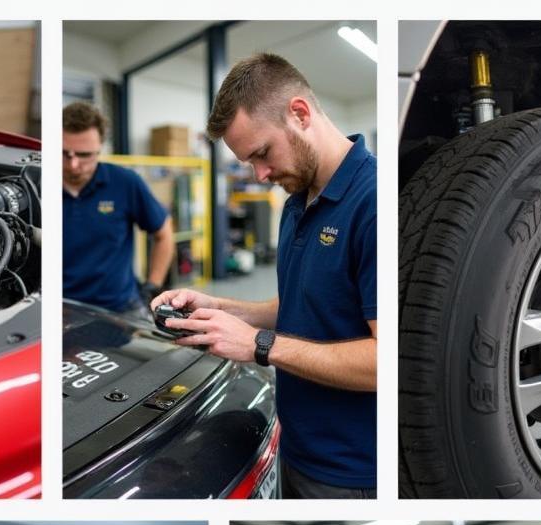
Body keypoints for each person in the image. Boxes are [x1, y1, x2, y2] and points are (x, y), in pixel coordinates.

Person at [151, 54, 376, 498]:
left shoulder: (374, 203)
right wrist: (220, 307)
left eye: (262, 154)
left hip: (351, 473)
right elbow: (305, 304)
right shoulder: (297, 200)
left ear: (300, 113)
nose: (260, 175)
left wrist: (258, 344)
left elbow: (387, 362)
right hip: (291, 444)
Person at [62, 101, 175, 317]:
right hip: (61, 310)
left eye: (84, 155)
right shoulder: (37, 186)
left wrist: (152, 287)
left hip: (121, 309)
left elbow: (164, 232)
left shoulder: (125, 183)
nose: (73, 164)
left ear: (100, 149)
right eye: (65, 153)